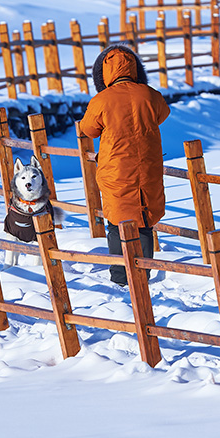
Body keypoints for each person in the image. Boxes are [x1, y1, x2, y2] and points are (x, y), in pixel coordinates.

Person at [79, 43, 171, 285]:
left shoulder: (102, 100)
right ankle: (143, 275)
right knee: (144, 221)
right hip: (147, 167)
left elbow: (88, 129)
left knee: (116, 222)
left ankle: (120, 277)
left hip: (116, 170)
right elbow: (163, 114)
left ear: (103, 74)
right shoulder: (150, 94)